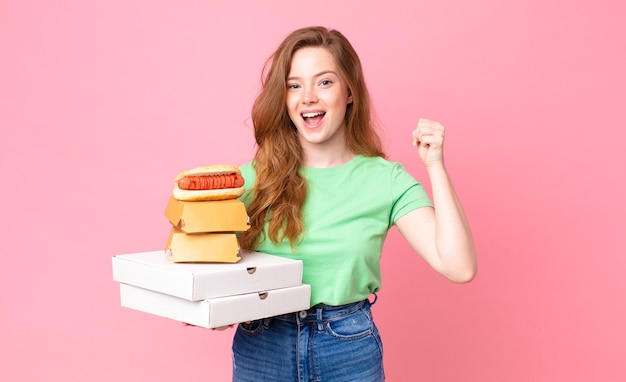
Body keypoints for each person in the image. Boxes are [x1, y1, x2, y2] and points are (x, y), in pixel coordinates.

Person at [232, 26, 477, 381]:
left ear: (349, 91)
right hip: (262, 346)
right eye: (294, 85)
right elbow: (205, 260)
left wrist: (435, 165)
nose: (308, 97)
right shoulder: (252, 180)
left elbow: (459, 267)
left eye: (325, 82)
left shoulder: (385, 180)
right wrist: (213, 307)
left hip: (346, 346)